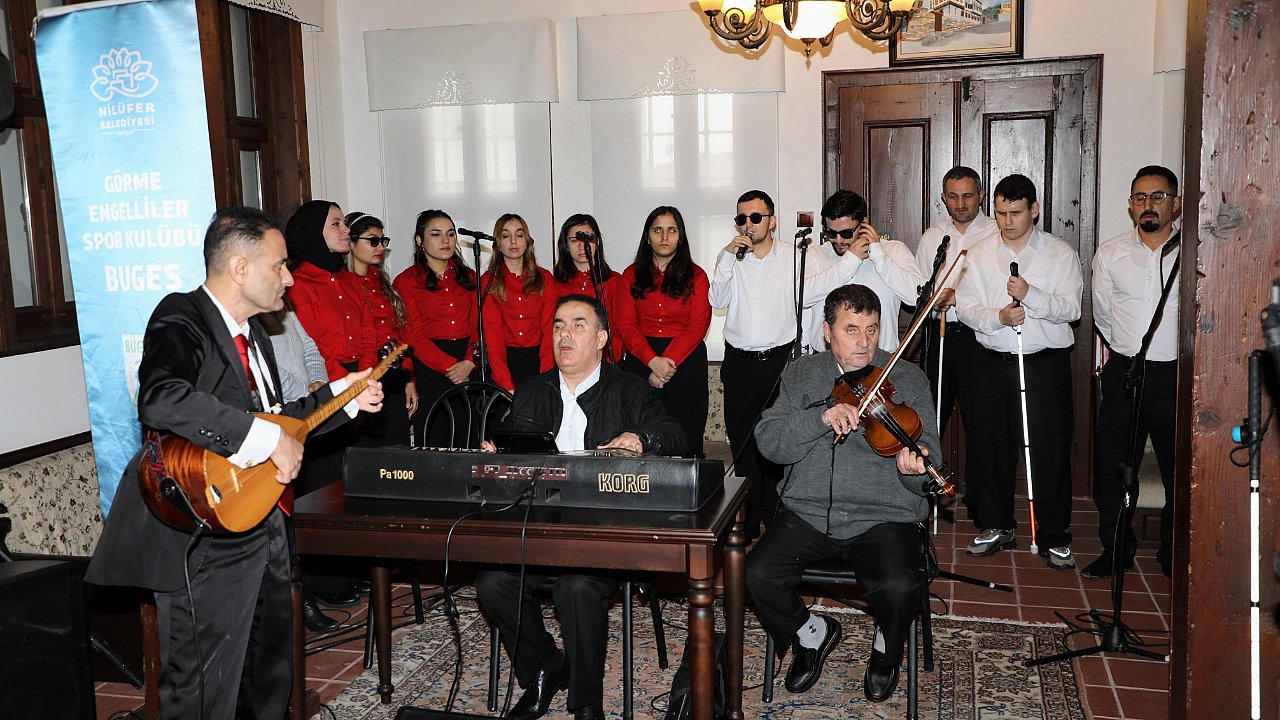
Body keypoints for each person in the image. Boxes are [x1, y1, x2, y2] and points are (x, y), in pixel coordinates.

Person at [84, 207, 384, 720]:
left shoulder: (258, 334)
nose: (289, 278)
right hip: (204, 533)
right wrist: (263, 437)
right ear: (240, 268)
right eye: (280, 265)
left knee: (267, 674)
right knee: (205, 691)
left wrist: (343, 398)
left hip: (263, 522)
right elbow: (161, 398)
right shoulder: (181, 315)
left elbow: (277, 419)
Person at [475, 294, 686, 720]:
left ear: (602, 339)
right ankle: (545, 668)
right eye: (558, 325)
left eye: (577, 324)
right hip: (538, 530)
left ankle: (586, 701)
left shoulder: (629, 389)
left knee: (576, 587)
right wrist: (495, 460)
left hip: (603, 536)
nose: (564, 334)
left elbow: (674, 433)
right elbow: (506, 462)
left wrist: (640, 438)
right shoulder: (530, 393)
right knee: (492, 583)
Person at [748, 283, 935, 703]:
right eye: (851, 330)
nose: (864, 342)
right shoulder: (801, 374)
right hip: (808, 513)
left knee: (900, 586)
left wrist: (914, 470)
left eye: (872, 329)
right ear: (827, 330)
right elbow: (769, 442)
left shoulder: (908, 379)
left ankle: (886, 650)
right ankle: (811, 632)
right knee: (757, 574)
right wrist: (819, 418)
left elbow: (929, 464)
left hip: (883, 517)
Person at [708, 189, 862, 538]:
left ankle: (776, 518)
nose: (748, 224)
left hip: (778, 363)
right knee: (743, 444)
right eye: (742, 218)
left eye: (756, 217)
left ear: (772, 221)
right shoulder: (731, 258)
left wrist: (851, 259)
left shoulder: (793, 256)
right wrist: (726, 257)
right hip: (739, 363)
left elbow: (819, 289)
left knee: (778, 441)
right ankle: (746, 521)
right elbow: (716, 299)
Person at [955, 173, 1082, 569]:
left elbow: (1071, 309)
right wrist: (999, 317)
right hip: (993, 363)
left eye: (1015, 213)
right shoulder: (978, 253)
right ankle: (996, 524)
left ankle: (1053, 535)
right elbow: (965, 307)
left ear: (1034, 210)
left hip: (1044, 365)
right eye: (1000, 213)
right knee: (991, 447)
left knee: (1049, 450)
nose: (1007, 221)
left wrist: (1031, 296)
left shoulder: (1059, 253)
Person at [1084, 165, 1182, 580]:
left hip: (1176, 376)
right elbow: (1103, 315)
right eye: (1140, 198)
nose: (1148, 205)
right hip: (1126, 372)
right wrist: (1127, 352)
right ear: (1130, 205)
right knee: (1115, 469)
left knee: (1179, 469)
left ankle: (1174, 555)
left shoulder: (1193, 252)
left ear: (1176, 204)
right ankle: (1116, 550)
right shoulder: (1111, 253)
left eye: (1158, 197)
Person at [614, 206, 712, 457]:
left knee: (687, 432)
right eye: (657, 230)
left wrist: (666, 363)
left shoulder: (697, 276)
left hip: (686, 360)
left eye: (672, 230)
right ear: (648, 237)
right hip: (641, 359)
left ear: (681, 236)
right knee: (639, 431)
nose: (665, 237)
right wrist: (652, 361)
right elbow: (625, 325)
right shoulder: (630, 275)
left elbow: (698, 326)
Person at [914, 166, 1000, 437]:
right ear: (943, 197)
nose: (960, 204)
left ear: (981, 195)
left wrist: (958, 298)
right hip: (939, 336)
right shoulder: (932, 236)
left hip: (980, 338)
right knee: (930, 419)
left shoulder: (997, 233)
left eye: (967, 196)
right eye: (953, 197)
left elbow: (999, 290)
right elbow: (919, 287)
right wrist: (931, 301)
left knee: (981, 422)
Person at [393, 209, 479, 446]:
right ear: (419, 240)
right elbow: (412, 336)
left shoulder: (470, 277)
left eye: (450, 234)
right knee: (436, 442)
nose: (445, 240)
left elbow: (478, 326)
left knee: (470, 439)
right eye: (436, 234)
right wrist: (452, 367)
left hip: (468, 364)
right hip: (429, 368)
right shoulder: (406, 281)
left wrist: (469, 361)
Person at [800, 189, 923, 354]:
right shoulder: (815, 254)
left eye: (846, 233)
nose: (838, 240)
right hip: (827, 359)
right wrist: (849, 261)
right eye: (831, 233)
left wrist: (880, 257)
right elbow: (801, 298)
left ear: (864, 223)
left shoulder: (894, 250)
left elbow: (917, 297)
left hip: (880, 359)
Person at [345, 211, 418, 446]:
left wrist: (409, 379)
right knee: (368, 447)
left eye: (382, 240)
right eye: (373, 240)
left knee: (397, 445)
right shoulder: (343, 284)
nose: (380, 247)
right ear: (351, 242)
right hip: (366, 371)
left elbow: (398, 333)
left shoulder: (381, 280)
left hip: (393, 370)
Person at [284, 200, 364, 381]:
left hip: (362, 374)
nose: (347, 230)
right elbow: (312, 347)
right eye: (336, 224)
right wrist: (348, 383)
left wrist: (367, 373)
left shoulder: (349, 279)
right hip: (327, 377)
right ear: (314, 232)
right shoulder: (298, 284)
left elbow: (368, 332)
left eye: (345, 223)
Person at [481, 212, 555, 392]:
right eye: (506, 236)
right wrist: (506, 384)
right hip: (504, 362)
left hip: (539, 360)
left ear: (527, 241)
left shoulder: (545, 278)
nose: (513, 241)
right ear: (498, 244)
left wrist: (546, 377)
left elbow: (550, 330)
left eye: (519, 235)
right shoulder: (488, 281)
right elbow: (493, 337)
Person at [546, 213, 622, 365]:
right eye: (574, 240)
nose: (582, 246)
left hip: (606, 363)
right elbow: (552, 331)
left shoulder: (614, 281)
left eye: (588, 239)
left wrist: (606, 362)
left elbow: (620, 327)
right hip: (568, 361)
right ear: (566, 246)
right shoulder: (555, 284)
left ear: (597, 243)